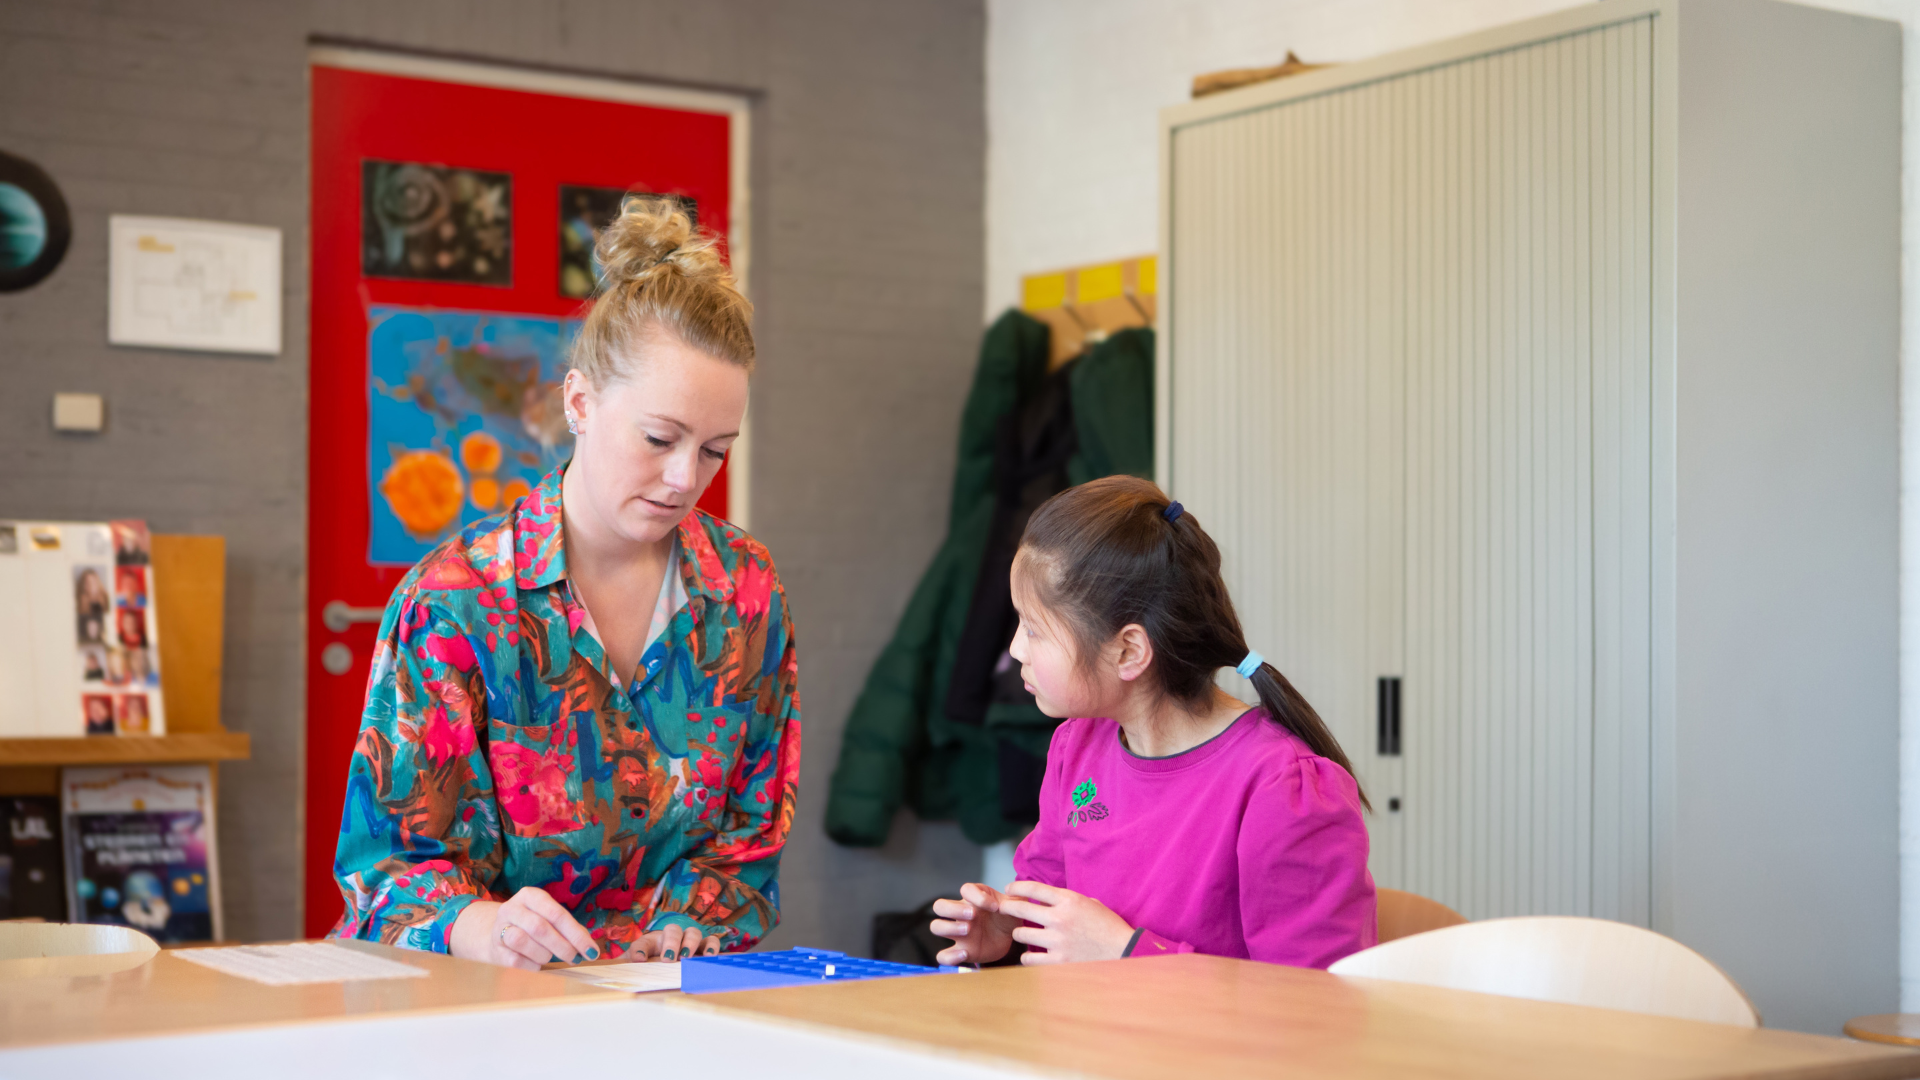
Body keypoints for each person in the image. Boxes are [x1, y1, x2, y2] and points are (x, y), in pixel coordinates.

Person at [332, 196, 802, 970]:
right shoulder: (455, 601)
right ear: (580, 403)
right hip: (473, 1001)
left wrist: (692, 918)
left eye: (716, 450)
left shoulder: (747, 589)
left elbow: (749, 840)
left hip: (665, 1001)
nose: (686, 478)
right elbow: (384, 866)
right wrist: (477, 925)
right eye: (660, 438)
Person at [930, 476, 1375, 969]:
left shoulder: (1283, 786)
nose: (1014, 649)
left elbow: (1317, 1006)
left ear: (1128, 651)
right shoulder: (1075, 747)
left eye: (1034, 629)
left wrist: (1129, 954)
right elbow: (1046, 908)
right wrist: (1008, 935)